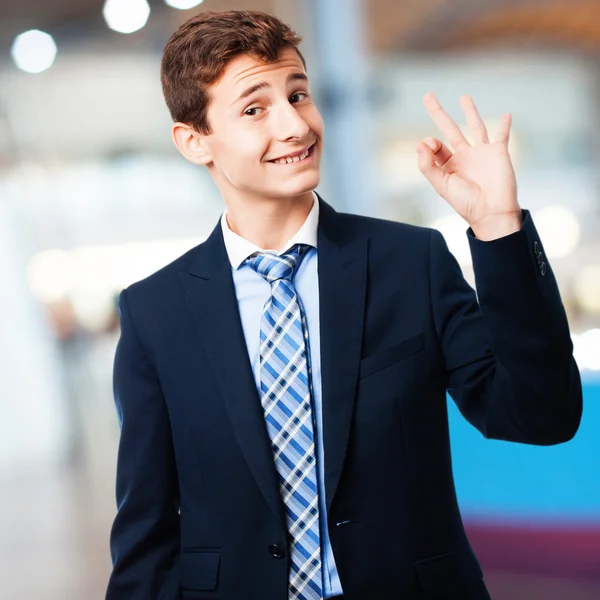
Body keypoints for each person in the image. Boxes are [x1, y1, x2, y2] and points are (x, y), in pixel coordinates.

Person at [105, 10, 582, 600]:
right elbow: (145, 537)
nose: (295, 125)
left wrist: (498, 229)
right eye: (255, 109)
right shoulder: (156, 314)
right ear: (194, 140)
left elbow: (541, 416)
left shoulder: (411, 263)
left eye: (298, 94)